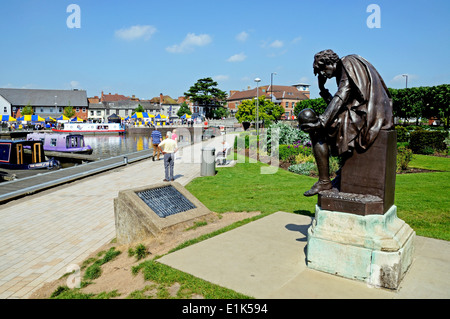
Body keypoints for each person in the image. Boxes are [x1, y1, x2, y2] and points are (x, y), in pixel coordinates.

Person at [299, 49, 394, 196]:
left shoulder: (346, 62)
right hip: (368, 112)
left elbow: (342, 94)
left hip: (368, 115)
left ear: (330, 62)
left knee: (314, 126)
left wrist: (323, 121)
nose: (324, 75)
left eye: (323, 70)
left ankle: (324, 181)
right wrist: (323, 90)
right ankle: (336, 176)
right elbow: (341, 104)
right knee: (321, 122)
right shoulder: (348, 66)